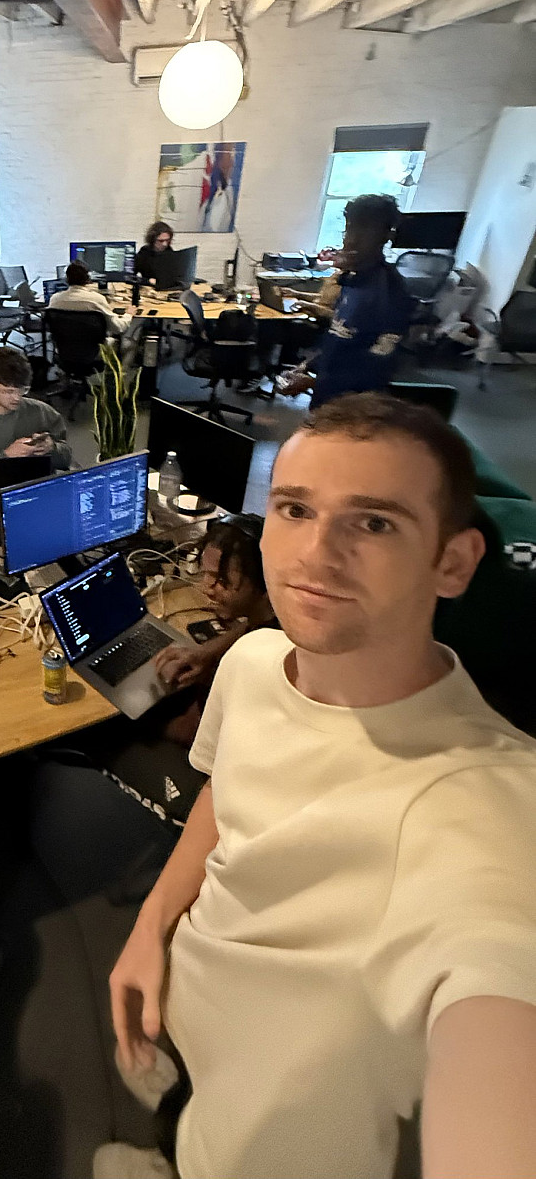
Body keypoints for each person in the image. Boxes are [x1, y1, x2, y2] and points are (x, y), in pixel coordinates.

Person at [101, 392, 536, 1179]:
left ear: (454, 562)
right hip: (187, 1006)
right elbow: (224, 793)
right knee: (172, 1117)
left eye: (374, 522)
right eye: (296, 510)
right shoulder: (252, 662)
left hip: (264, 1136)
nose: (316, 554)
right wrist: (152, 925)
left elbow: (499, 986)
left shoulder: (488, 802)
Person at [149, 514, 276, 749]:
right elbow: (250, 625)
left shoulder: (251, 664)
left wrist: (138, 725)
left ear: (265, 581)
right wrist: (206, 652)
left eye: (221, 580)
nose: (205, 588)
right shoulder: (277, 615)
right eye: (205, 574)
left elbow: (191, 732)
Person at [280, 195, 413, 408]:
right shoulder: (352, 280)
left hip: (355, 409)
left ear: (387, 235)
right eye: (350, 229)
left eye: (364, 231)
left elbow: (375, 368)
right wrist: (307, 366)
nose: (351, 240)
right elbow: (339, 337)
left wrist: (314, 382)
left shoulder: (391, 292)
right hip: (325, 401)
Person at [0, 345, 73, 470]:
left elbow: (66, 460)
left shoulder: (44, 412)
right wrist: (7, 457)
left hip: (42, 478)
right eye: (9, 391)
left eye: (22, 390)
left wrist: (53, 448)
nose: (17, 398)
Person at [48, 260, 129, 339]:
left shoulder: (54, 299)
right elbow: (118, 328)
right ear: (88, 278)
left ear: (66, 279)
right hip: (94, 346)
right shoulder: (96, 299)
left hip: (64, 345)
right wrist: (128, 314)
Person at [135, 221, 177, 288]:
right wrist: (148, 281)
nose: (165, 244)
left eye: (167, 240)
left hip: (166, 289)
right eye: (161, 241)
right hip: (148, 288)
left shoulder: (170, 252)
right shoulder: (144, 253)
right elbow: (131, 276)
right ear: (153, 240)